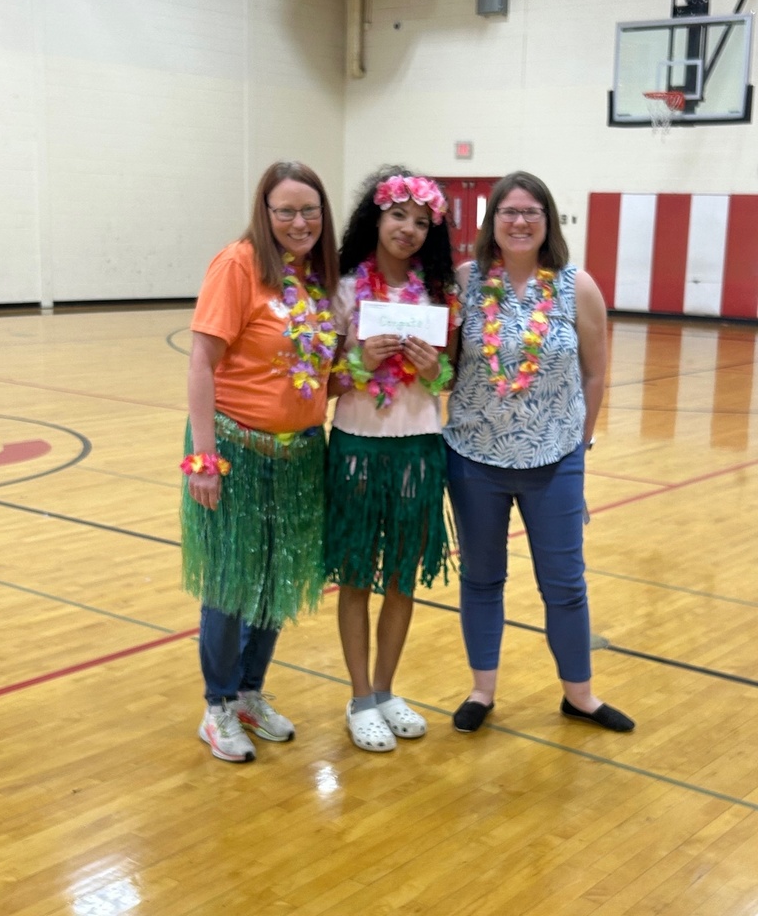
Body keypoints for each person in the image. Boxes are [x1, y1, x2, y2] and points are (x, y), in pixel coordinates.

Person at [443, 171, 635, 734]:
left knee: (565, 583)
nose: (520, 221)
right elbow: (449, 368)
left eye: (531, 212)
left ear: (547, 222)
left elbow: (596, 373)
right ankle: (482, 691)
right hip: (474, 456)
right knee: (481, 578)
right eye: (509, 212)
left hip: (555, 460)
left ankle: (581, 695)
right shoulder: (466, 283)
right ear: (492, 223)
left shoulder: (578, 287)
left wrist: (580, 442)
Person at [180, 160, 339, 762]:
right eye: (286, 211)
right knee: (229, 581)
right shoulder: (239, 264)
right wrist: (204, 458)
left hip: (299, 455)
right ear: (264, 213)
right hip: (235, 450)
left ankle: (249, 691)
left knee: (277, 577)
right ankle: (217, 705)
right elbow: (200, 362)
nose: (299, 222)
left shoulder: (318, 275)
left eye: (310, 211)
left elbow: (319, 367)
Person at [327, 167, 459, 752]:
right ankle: (359, 697)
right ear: (376, 218)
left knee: (402, 575)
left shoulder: (438, 296)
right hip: (356, 444)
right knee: (356, 574)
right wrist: (358, 360)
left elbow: (450, 375)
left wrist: (436, 371)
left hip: (419, 448)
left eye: (421, 222)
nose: (408, 229)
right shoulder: (344, 289)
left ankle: (385, 689)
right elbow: (323, 383)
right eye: (399, 216)